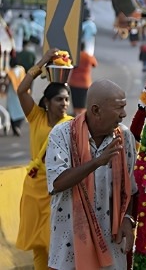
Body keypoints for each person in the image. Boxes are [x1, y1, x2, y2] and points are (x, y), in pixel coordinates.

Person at [45, 79, 137, 270]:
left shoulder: (124, 137)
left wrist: (127, 219)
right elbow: (57, 183)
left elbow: (130, 188)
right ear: (96, 111)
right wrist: (96, 162)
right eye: (119, 108)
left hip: (111, 243)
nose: (124, 114)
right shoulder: (61, 134)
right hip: (69, 244)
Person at [15, 48, 73, 270]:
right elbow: (21, 90)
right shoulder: (35, 117)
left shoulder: (70, 124)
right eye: (59, 99)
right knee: (38, 246)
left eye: (67, 99)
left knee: (54, 244)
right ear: (47, 102)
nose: (64, 104)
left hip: (57, 188)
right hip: (33, 187)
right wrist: (42, 62)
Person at [69, 42, 98, 115]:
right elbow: (95, 64)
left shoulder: (74, 56)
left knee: (75, 99)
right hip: (85, 82)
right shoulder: (88, 56)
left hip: (74, 82)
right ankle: (81, 115)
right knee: (83, 100)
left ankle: (75, 113)